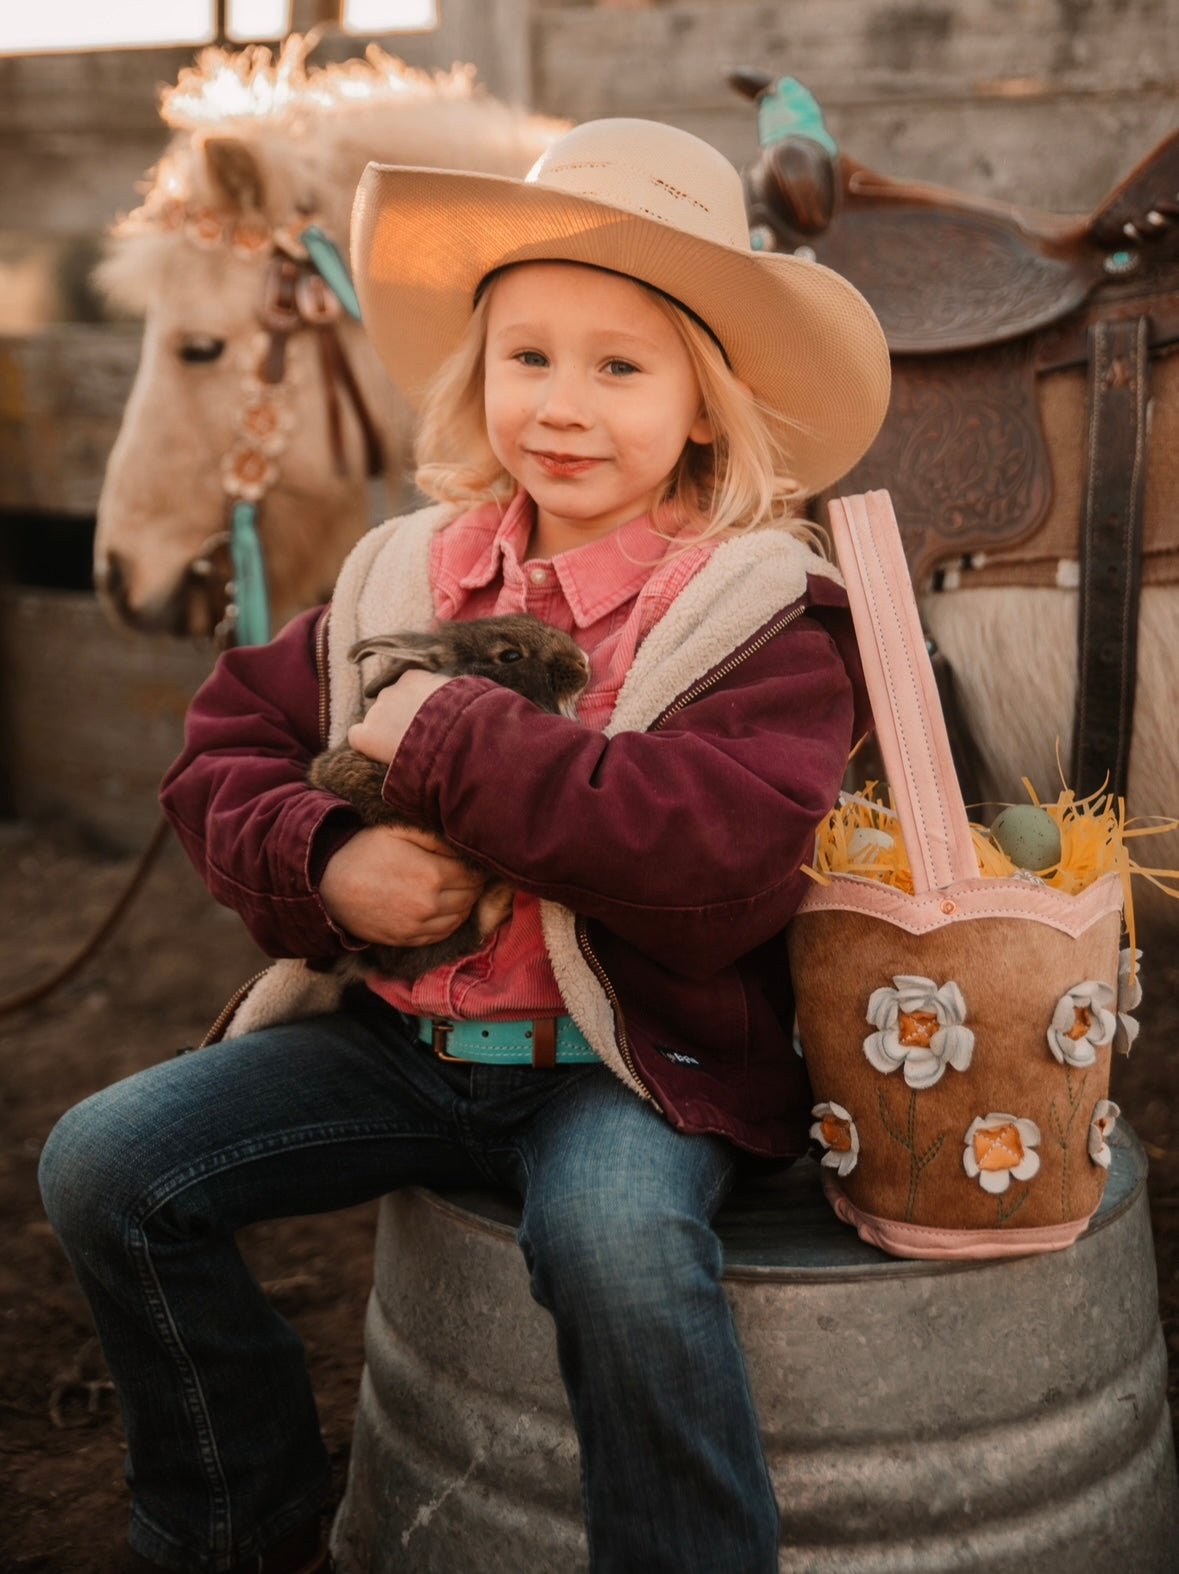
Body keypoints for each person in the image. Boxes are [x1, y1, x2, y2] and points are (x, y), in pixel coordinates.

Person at [39, 117, 889, 1574]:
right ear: (476, 372)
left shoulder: (761, 609)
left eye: (620, 368)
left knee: (620, 1253)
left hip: (627, 1065)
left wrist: (444, 740)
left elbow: (716, 860)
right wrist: (327, 860)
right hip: (404, 1046)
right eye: (527, 356)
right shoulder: (399, 572)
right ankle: (235, 1520)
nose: (561, 406)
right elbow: (225, 749)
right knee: (105, 1165)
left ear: (706, 406)